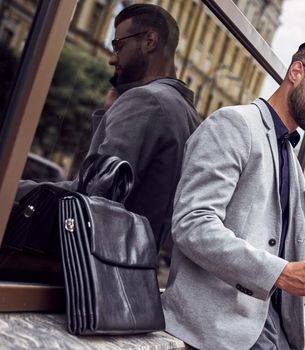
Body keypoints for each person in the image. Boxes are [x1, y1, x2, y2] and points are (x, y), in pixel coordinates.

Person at [162, 38, 305, 349]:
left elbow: (303, 251)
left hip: (275, 332)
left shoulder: (292, 162)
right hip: (222, 330)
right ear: (297, 72)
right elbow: (192, 224)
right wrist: (278, 273)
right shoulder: (234, 125)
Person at [12, 4, 200, 253]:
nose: (112, 58)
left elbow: (93, 195)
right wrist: (111, 111)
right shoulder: (187, 113)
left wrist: (13, 189)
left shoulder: (145, 100)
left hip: (99, 259)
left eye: (119, 46)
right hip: (135, 263)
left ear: (149, 41)